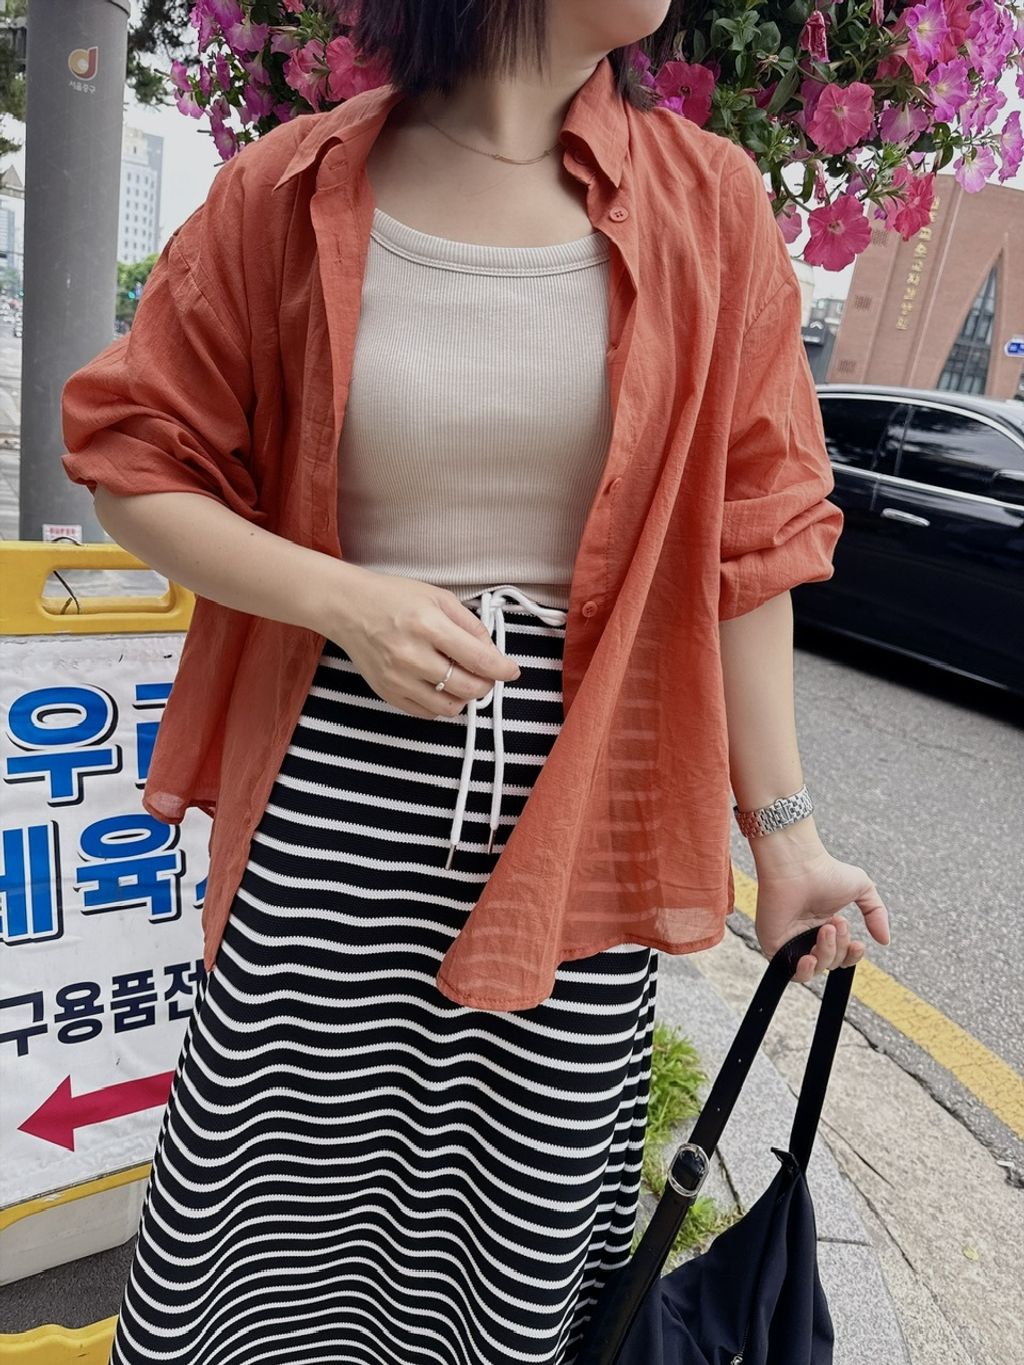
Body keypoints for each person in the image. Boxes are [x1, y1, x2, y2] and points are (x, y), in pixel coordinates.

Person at [61, 2, 891, 1361]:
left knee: (507, 1250)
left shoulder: (710, 205)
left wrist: (785, 837)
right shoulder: (288, 191)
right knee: (265, 1234)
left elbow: (751, 544)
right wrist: (348, 601)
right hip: (335, 811)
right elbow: (132, 462)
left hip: (584, 828)